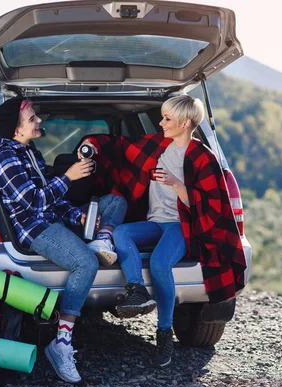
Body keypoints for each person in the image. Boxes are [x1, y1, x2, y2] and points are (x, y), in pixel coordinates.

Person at [82, 95, 247, 368]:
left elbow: (209, 206)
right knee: (121, 233)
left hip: (181, 226)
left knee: (160, 263)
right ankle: (137, 290)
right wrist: (92, 144)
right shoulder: (159, 145)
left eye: (167, 119)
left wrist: (177, 184)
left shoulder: (203, 157)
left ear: (184, 123)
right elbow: (122, 147)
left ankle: (164, 333)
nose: (160, 123)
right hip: (154, 222)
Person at [0, 97, 127, 383]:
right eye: (31, 119)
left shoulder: (29, 149)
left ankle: (100, 238)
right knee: (86, 264)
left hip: (53, 218)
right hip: (34, 228)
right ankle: (61, 343)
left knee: (114, 203)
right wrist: (69, 176)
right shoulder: (5, 156)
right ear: (16, 130)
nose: (39, 120)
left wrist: (77, 215)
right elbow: (34, 203)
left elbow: (54, 201)